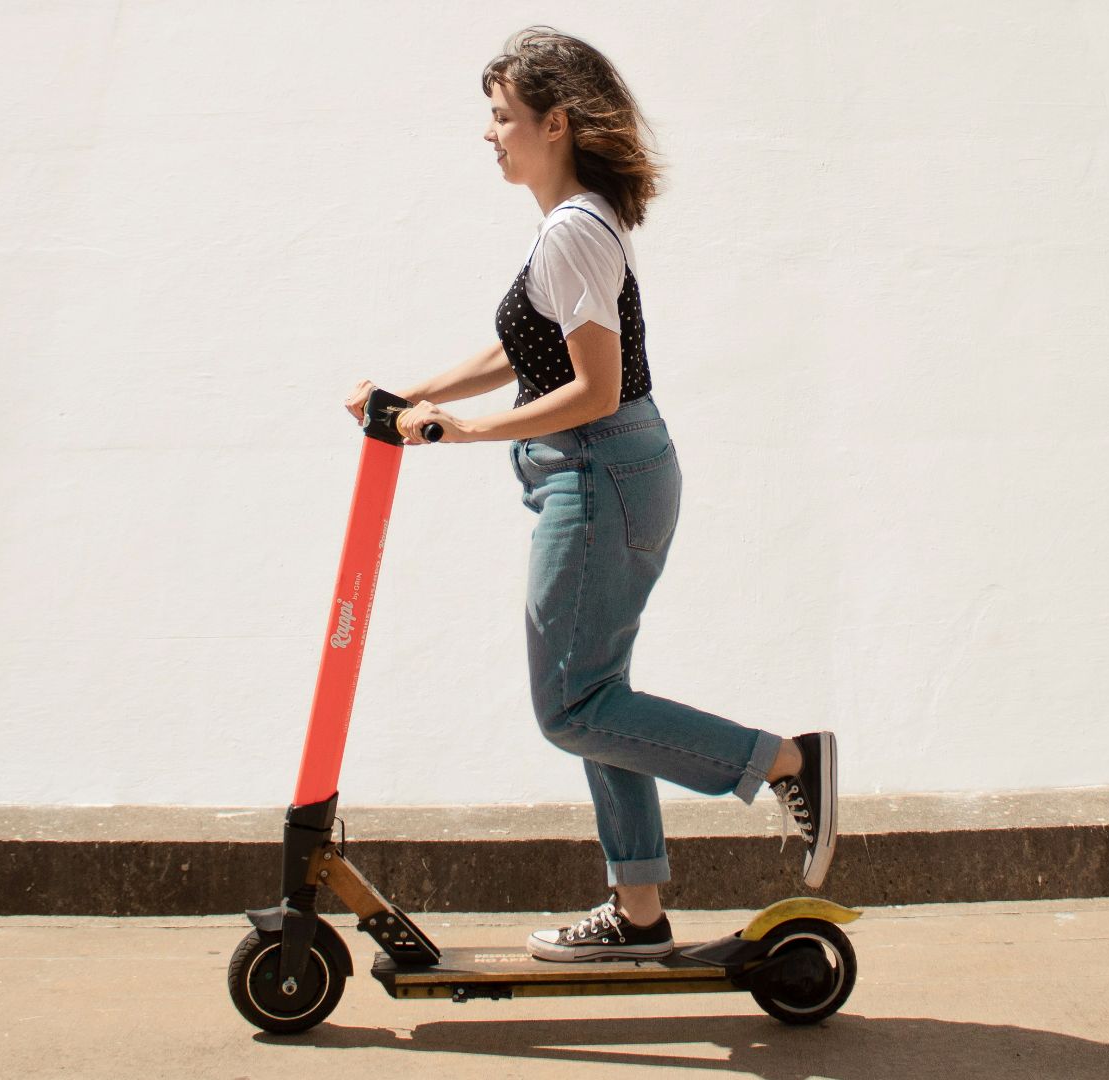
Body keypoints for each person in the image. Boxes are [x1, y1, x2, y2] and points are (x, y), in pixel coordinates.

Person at [344, 26, 837, 963]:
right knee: (597, 697)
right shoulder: (574, 226)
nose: (489, 135)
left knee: (571, 708)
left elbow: (594, 387)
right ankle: (640, 913)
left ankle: (784, 762)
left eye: (502, 117)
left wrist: (465, 432)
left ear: (555, 121)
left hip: (598, 469)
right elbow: (521, 352)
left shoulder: (573, 230)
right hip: (611, 472)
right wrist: (417, 396)